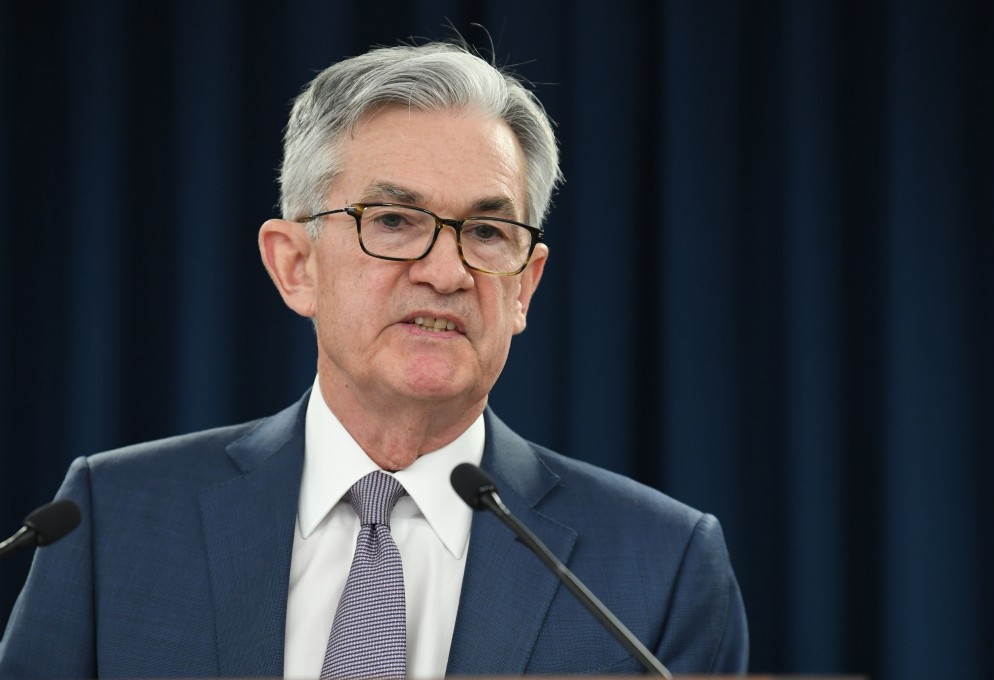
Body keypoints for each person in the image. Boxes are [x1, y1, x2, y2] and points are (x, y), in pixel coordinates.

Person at [0, 40, 748, 678]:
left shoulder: (664, 567)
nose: (448, 271)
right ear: (295, 265)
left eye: (488, 233)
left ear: (525, 285)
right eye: (394, 220)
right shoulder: (110, 519)